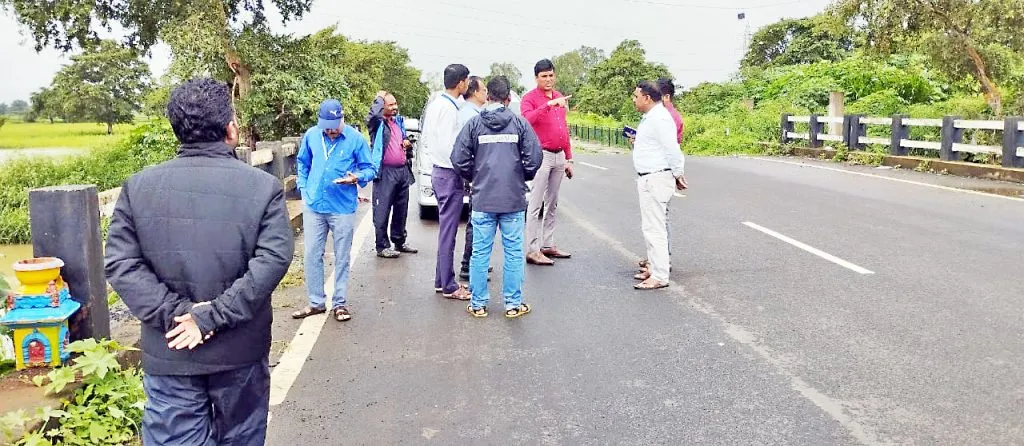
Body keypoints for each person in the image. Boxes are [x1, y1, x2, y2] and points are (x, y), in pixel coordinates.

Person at [104, 77, 293, 445]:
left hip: (171, 349)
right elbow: (272, 260)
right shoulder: (261, 188)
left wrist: (179, 316)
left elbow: (122, 264)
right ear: (230, 128)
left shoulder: (139, 188)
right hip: (240, 351)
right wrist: (211, 316)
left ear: (177, 129)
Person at [451, 75, 542, 318]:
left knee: (480, 253)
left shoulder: (473, 125)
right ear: (508, 98)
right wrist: (519, 176)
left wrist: (476, 176)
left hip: (483, 199)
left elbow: (458, 159)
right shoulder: (520, 124)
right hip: (513, 200)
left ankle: (478, 304)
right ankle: (513, 304)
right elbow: (534, 158)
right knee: (513, 252)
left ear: (488, 96)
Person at [291, 98, 377, 321]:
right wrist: (303, 186)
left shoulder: (356, 140)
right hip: (314, 204)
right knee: (311, 254)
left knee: (341, 256)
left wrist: (356, 178)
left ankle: (339, 303)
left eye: (333, 126)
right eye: (325, 126)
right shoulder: (311, 135)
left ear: (342, 119)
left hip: (342, 207)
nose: (329, 131)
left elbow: (370, 169)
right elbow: (303, 163)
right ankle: (316, 302)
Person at [629, 80, 687, 291]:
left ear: (647, 98)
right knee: (650, 227)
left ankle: (660, 275)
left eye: (636, 96)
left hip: (656, 177)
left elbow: (672, 149)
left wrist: (678, 173)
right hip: (647, 176)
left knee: (655, 228)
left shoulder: (660, 118)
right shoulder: (650, 118)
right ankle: (654, 267)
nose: (634, 100)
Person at [422, 63, 472, 300]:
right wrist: (464, 169)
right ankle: (450, 286)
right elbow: (448, 147)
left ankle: (441, 281)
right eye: (467, 81)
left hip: (439, 170)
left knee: (446, 230)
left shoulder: (437, 104)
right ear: (461, 82)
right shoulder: (449, 109)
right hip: (448, 172)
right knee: (448, 231)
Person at [521, 58, 573, 266]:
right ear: (536, 78)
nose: (548, 79)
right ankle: (532, 249)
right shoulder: (530, 98)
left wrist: (569, 158)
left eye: (551, 75)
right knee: (536, 203)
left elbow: (563, 128)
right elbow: (526, 120)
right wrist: (547, 105)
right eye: (544, 76)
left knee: (553, 202)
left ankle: (548, 244)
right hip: (541, 154)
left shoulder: (560, 97)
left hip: (559, 155)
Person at [366, 90, 418, 258]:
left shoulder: (398, 122)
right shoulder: (377, 124)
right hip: (385, 173)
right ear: (382, 107)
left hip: (402, 171)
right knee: (382, 210)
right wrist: (379, 98)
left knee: (401, 209)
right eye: (390, 105)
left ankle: (399, 241)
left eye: (396, 104)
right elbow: (373, 116)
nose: (395, 107)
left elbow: (401, 142)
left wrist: (407, 144)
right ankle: (382, 246)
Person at [456, 76, 493, 281]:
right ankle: (468, 265)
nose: (486, 93)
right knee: (476, 221)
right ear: (475, 92)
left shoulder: (474, 113)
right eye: (484, 89)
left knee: (477, 220)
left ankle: (475, 262)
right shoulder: (470, 116)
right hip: (475, 174)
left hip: (475, 173)